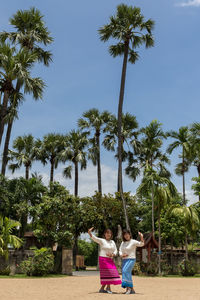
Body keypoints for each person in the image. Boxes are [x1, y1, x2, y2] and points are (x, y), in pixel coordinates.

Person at [88, 227, 121, 293]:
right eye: (107, 233)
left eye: (110, 233)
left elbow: (115, 250)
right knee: (108, 273)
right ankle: (108, 288)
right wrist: (89, 233)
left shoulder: (112, 242)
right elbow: (94, 238)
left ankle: (102, 288)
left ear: (111, 235)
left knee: (111, 273)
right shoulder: (102, 240)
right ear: (104, 234)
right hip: (103, 259)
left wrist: (113, 254)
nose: (108, 234)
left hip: (110, 259)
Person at [119, 229, 144, 294]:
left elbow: (141, 244)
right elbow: (120, 250)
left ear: (130, 234)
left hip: (131, 259)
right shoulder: (123, 243)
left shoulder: (133, 241)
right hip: (124, 260)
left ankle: (129, 288)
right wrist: (122, 255)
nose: (126, 235)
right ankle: (131, 289)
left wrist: (141, 237)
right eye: (124, 234)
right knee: (126, 272)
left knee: (125, 271)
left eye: (127, 234)